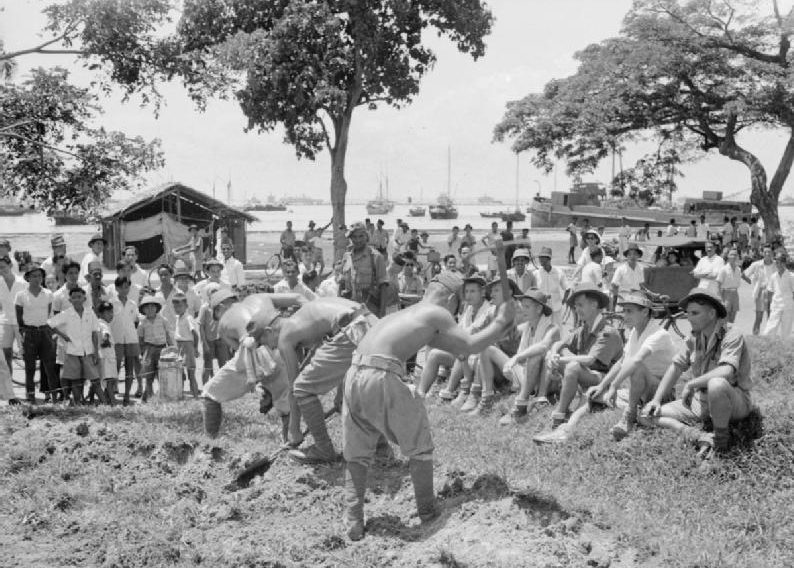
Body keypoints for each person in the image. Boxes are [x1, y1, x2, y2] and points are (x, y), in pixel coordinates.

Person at [341, 271, 514, 540]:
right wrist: (502, 321)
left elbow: (455, 349)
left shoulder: (403, 315)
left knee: (357, 452)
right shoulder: (436, 313)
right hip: (382, 375)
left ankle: (353, 518)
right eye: (458, 305)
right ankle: (428, 512)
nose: (456, 313)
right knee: (420, 447)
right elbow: (469, 347)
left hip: (354, 375)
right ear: (449, 298)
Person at [642, 288, 752, 456]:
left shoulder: (731, 333)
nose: (689, 317)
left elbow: (727, 371)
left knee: (716, 384)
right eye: (687, 313)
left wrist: (693, 383)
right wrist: (656, 400)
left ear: (712, 313)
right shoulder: (694, 336)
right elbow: (676, 366)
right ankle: (696, 435)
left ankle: (720, 443)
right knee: (645, 415)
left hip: (733, 401)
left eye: (695, 313)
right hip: (700, 401)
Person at [274, 298, 382, 463]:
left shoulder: (284, 336)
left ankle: (323, 448)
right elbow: (340, 356)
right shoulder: (308, 318)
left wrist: (294, 429)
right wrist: (339, 394)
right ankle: (381, 449)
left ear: (269, 330)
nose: (273, 347)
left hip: (354, 328)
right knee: (358, 389)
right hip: (375, 326)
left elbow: (295, 387)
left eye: (264, 343)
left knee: (303, 388)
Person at [541, 284, 624, 431]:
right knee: (553, 358)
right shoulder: (584, 329)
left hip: (606, 380)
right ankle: (544, 397)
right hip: (589, 376)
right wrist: (553, 354)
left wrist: (559, 360)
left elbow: (590, 360)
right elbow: (560, 343)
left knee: (572, 365)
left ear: (594, 305)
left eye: (580, 305)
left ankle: (559, 414)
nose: (576, 310)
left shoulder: (607, 332)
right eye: (575, 306)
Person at [420, 274, 493, 401]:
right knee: (434, 352)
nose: (468, 295)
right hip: (465, 352)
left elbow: (470, 334)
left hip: (480, 358)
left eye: (472, 291)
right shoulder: (469, 309)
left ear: (482, 293)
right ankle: (421, 392)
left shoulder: (489, 310)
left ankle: (449, 391)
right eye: (466, 291)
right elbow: (458, 330)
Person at [498, 290, 561, 424]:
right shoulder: (527, 326)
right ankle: (485, 393)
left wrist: (516, 357)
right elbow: (507, 334)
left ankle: (522, 403)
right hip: (530, 375)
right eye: (522, 305)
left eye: (527, 306)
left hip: (549, 380)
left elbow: (543, 346)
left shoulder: (552, 327)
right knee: (488, 351)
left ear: (539, 309)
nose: (522, 309)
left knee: (536, 354)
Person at [47, 287, 101, 405]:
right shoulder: (66, 314)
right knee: (76, 380)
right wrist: (63, 335)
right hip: (72, 351)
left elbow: (94, 333)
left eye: (79, 297)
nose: (76, 299)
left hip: (88, 351)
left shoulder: (90, 312)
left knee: (95, 379)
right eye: (74, 297)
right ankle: (77, 403)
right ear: (70, 300)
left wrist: (96, 352)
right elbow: (50, 324)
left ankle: (105, 403)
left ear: (84, 298)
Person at [15, 263, 57, 403]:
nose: (37, 278)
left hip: (45, 331)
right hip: (29, 332)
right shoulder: (21, 295)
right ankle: (30, 396)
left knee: (49, 366)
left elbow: (50, 314)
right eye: (34, 276)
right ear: (27, 278)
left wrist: (50, 332)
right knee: (30, 367)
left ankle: (54, 397)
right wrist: (24, 333)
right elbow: (19, 317)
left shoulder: (48, 294)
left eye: (39, 275)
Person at [340, 223, 391, 317]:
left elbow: (383, 287)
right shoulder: (346, 257)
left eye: (361, 236)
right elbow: (342, 283)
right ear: (350, 239)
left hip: (369, 310)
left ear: (366, 236)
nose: (357, 240)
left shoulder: (376, 257)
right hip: (348, 310)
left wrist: (382, 314)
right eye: (354, 237)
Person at [110, 276, 140, 405]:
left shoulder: (132, 304)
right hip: (116, 339)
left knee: (130, 368)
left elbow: (135, 320)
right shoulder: (111, 303)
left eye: (127, 287)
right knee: (114, 369)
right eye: (121, 287)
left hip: (131, 339)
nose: (124, 289)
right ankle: (112, 395)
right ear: (116, 288)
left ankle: (127, 394)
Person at [138, 295, 173, 402]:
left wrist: (171, 349)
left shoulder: (163, 320)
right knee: (149, 375)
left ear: (157, 308)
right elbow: (140, 339)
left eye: (152, 307)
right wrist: (142, 354)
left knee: (162, 374)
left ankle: (162, 397)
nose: (150, 309)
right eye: (147, 307)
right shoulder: (142, 323)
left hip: (162, 349)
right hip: (149, 349)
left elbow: (168, 335)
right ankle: (149, 397)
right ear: (143, 310)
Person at [199, 286, 236, 384]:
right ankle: (204, 389)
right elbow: (201, 326)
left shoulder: (223, 307)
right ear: (208, 294)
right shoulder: (205, 307)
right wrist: (204, 343)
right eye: (212, 292)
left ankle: (223, 388)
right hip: (209, 340)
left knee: (223, 365)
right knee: (207, 366)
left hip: (221, 340)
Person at [0, 255, 25, 377]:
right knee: (5, 355)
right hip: (5, 321)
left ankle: (29, 389)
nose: (1, 270)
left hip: (21, 322)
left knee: (26, 355)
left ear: (10, 266)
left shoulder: (22, 282)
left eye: (3, 267)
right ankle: (8, 388)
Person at [742, 244, 775, 335]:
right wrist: (753, 283)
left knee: (771, 317)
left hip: (773, 293)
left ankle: (770, 337)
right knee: (759, 317)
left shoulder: (776, 264)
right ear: (762, 253)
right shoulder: (756, 264)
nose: (767, 253)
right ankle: (755, 337)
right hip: (761, 292)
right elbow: (744, 275)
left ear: (772, 253)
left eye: (769, 251)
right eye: (765, 252)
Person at [172, 291, 200, 397]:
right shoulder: (178, 318)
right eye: (175, 307)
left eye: (180, 306)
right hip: (179, 346)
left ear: (186, 306)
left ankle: (196, 396)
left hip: (187, 346)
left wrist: (195, 348)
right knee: (180, 373)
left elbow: (195, 334)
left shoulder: (188, 318)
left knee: (191, 373)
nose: (177, 309)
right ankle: (180, 395)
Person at [533, 247, 568, 324]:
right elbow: (532, 290)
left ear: (548, 259)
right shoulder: (536, 274)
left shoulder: (559, 272)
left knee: (557, 329)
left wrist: (564, 300)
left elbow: (567, 288)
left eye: (542, 258)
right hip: (541, 308)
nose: (540, 260)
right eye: (540, 257)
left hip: (556, 308)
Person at [762, 252, 794, 338]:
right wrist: (770, 306)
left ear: (784, 263)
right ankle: (766, 349)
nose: (777, 264)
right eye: (776, 262)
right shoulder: (773, 276)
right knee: (769, 330)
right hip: (776, 306)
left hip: (788, 307)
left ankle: (785, 350)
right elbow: (770, 292)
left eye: (779, 262)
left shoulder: (791, 276)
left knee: (786, 333)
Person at [610, 243, 645, 310]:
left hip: (636, 300)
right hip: (624, 300)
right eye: (630, 254)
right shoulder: (621, 269)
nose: (632, 256)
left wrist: (650, 293)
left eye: (635, 254)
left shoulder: (641, 268)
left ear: (638, 256)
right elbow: (613, 285)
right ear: (627, 256)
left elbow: (641, 285)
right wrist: (620, 297)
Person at [96, 301, 118, 405]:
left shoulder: (100, 323)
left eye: (111, 312)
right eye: (107, 312)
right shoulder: (102, 324)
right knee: (109, 381)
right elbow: (106, 334)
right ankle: (113, 403)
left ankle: (105, 401)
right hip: (107, 357)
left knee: (105, 381)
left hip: (105, 356)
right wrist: (106, 340)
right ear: (100, 314)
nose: (110, 314)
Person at [716, 248, 742, 323]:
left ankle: (730, 334)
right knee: (725, 317)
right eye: (731, 254)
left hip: (735, 294)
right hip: (726, 294)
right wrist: (720, 299)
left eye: (735, 254)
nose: (733, 256)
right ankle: (723, 334)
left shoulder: (738, 269)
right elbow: (718, 285)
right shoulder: (723, 269)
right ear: (728, 256)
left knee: (732, 318)